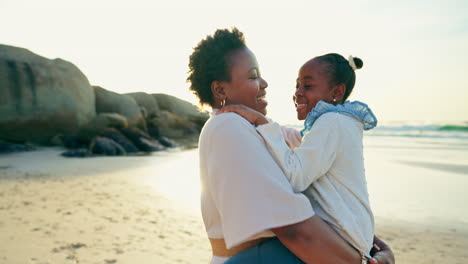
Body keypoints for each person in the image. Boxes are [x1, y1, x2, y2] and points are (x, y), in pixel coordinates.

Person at [188, 28, 394, 264]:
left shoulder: (257, 129)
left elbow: (328, 192)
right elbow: (296, 230)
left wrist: (369, 244)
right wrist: (363, 261)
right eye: (253, 76)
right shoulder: (229, 126)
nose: (265, 83)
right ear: (220, 90)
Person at [218, 53, 379, 261]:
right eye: (297, 85)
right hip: (350, 234)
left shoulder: (331, 122)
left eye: (308, 86)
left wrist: (262, 123)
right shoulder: (340, 121)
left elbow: (297, 177)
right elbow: (299, 143)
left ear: (337, 92)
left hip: (340, 238)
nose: (298, 93)